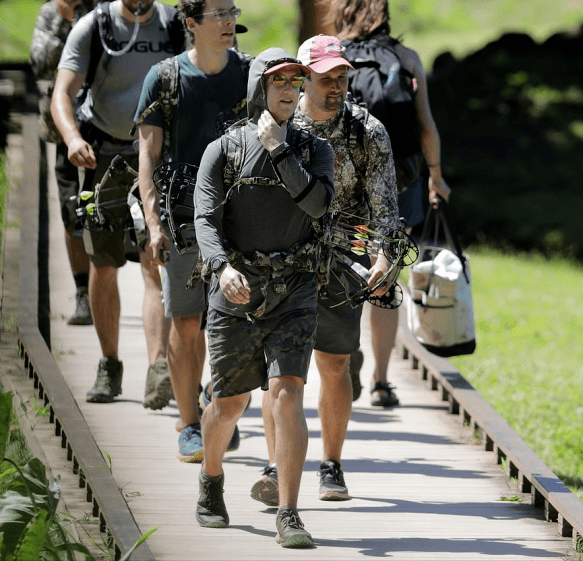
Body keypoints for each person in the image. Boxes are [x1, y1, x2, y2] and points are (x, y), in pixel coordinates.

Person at [193, 47, 334, 547]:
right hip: (236, 289)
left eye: (295, 83)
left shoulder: (315, 149)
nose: (289, 90)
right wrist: (220, 266)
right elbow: (205, 220)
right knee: (230, 403)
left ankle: (290, 512)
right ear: (258, 88)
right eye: (278, 82)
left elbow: (317, 205)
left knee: (287, 393)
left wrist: (278, 150)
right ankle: (211, 481)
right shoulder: (223, 151)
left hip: (294, 289)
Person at [250, 35, 399, 507]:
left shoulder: (365, 131)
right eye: (325, 78)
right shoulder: (276, 123)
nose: (335, 87)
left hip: (340, 261)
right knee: (280, 372)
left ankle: (331, 462)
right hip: (282, 260)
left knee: (335, 364)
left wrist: (384, 256)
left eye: (342, 78)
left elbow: (385, 205)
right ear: (303, 78)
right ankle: (276, 465)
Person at [51, 0, 184, 406]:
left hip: (158, 154)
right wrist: (73, 138)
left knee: (153, 259)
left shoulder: (173, 24)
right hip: (104, 153)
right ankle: (110, 365)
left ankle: (158, 369)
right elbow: (63, 93)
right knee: (104, 263)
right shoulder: (95, 27)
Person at [134, 0, 250, 463]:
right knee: (185, 321)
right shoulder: (165, 80)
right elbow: (147, 156)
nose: (229, 22)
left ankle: (219, 409)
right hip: (182, 216)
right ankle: (187, 425)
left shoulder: (249, 74)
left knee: (234, 317)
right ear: (191, 24)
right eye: (218, 14)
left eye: (232, 11)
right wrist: (153, 224)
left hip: (239, 216)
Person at [333, 0, 451, 407]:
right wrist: (435, 175)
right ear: (384, 15)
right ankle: (381, 381)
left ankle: (346, 353)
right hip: (400, 182)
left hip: (344, 184)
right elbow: (426, 126)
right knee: (386, 280)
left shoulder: (333, 55)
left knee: (342, 271)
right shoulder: (406, 58)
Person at [30, 0, 95, 326]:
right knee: (71, 211)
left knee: (103, 210)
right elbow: (40, 66)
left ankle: (101, 288)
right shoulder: (50, 13)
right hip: (62, 127)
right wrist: (63, 21)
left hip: (104, 123)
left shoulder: (109, 9)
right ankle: (82, 293)